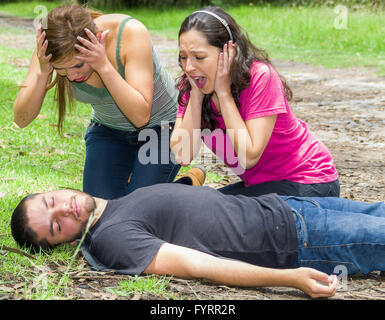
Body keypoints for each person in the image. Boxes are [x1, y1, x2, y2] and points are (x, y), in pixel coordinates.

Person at [11, 183, 385, 298]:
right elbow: (197, 266)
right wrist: (289, 278)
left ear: (50, 191)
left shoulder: (114, 202)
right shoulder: (111, 239)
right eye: (56, 226)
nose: (65, 210)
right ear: (63, 243)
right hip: (296, 240)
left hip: (287, 208)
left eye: (51, 202)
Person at [13, 4, 181, 200]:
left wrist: (103, 66)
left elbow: (141, 116)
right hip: (108, 131)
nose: (72, 76)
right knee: (99, 215)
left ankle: (183, 187)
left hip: (163, 129)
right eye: (63, 69)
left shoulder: (129, 33)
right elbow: (21, 119)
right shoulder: (51, 46)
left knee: (137, 207)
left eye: (78, 65)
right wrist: (43, 72)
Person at [170, 7, 340, 198]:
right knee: (203, 207)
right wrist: (196, 98)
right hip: (262, 187)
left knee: (214, 212)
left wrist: (224, 93)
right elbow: (181, 155)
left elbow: (248, 157)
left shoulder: (260, 77)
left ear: (228, 52)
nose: (189, 67)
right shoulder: (193, 85)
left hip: (307, 180)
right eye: (183, 58)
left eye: (199, 57)